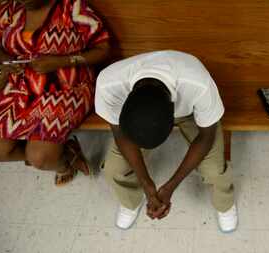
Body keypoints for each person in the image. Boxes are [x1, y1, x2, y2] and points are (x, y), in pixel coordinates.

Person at [95, 50, 238, 233]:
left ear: (173, 109)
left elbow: (206, 137)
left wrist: (170, 186)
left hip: (190, 112)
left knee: (214, 170)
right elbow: (121, 135)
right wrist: (146, 184)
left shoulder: (198, 84)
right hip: (138, 117)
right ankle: (130, 201)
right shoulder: (108, 84)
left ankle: (224, 205)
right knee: (114, 168)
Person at [0, 0, 110, 185]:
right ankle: (66, 153)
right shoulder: (8, 9)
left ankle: (63, 164)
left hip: (69, 86)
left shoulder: (71, 8)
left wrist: (62, 61)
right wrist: (7, 59)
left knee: (40, 156)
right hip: (21, 87)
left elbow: (103, 49)